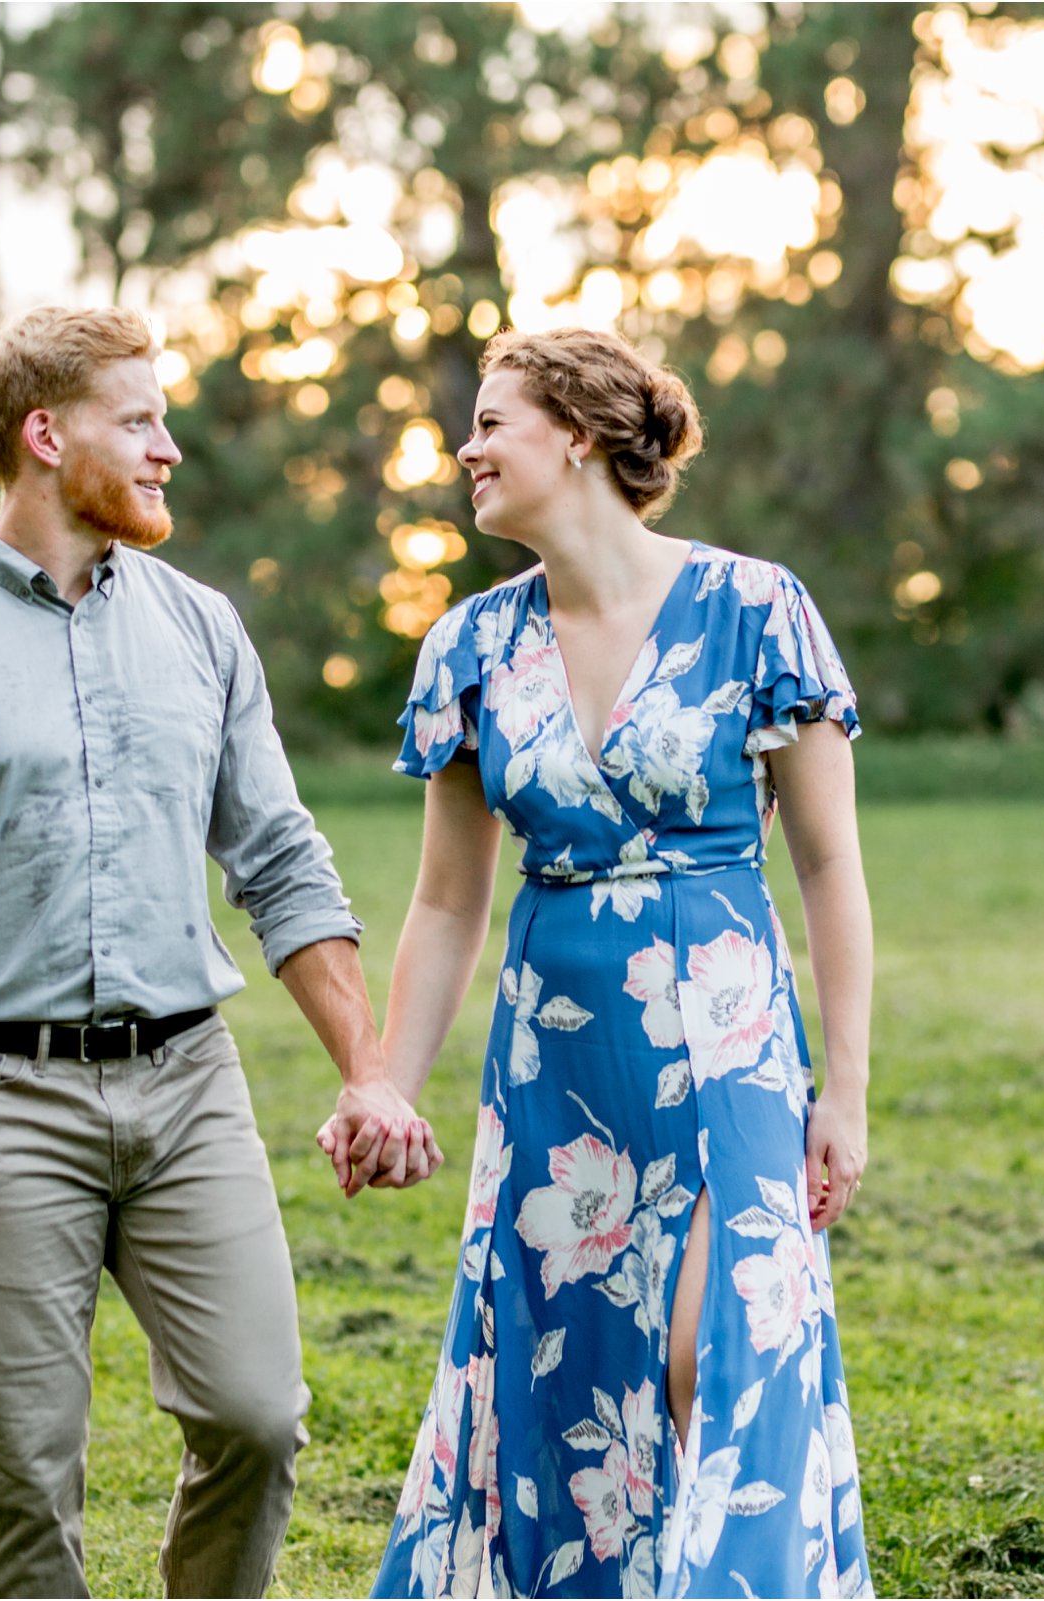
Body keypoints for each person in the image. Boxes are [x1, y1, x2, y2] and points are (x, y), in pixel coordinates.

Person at [0, 304, 441, 1599]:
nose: (168, 451)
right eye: (139, 420)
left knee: (258, 1418)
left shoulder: (200, 628)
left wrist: (368, 1071)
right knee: (28, 1476)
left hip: (188, 1086)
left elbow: (279, 862)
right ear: (44, 434)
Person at [351, 327, 875, 1598]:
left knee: (725, 1358)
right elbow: (441, 904)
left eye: (490, 423)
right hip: (556, 1059)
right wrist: (385, 1083)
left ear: (574, 434)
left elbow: (826, 867)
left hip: (725, 1046)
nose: (464, 449)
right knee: (566, 1387)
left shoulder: (757, 609)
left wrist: (843, 1091)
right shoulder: (468, 648)